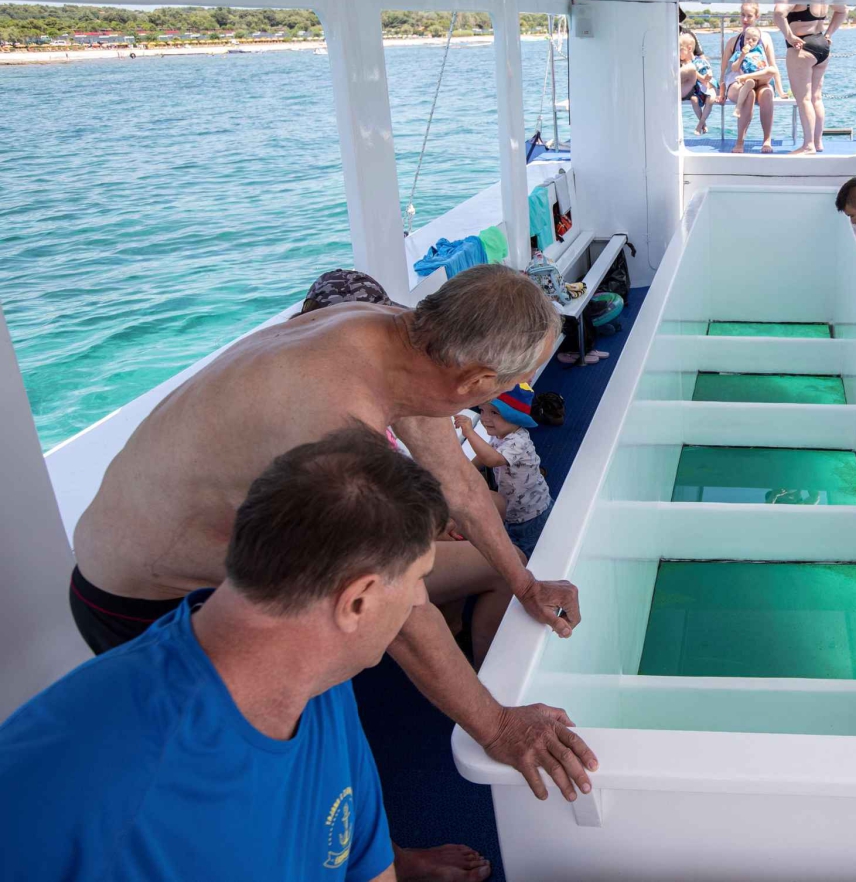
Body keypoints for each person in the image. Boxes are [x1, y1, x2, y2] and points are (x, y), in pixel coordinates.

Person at [68, 264, 595, 807]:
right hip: (146, 600)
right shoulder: (334, 426)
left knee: (338, 696)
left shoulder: (401, 338)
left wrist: (526, 584)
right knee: (262, 763)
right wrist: (499, 729)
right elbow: (403, 614)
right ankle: (372, 857)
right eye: (511, 383)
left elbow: (459, 484)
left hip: (247, 562)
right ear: (476, 384)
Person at [0, 428, 532, 881]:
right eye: (419, 582)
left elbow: (364, 864)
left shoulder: (321, 678)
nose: (421, 602)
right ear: (359, 602)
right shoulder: (80, 780)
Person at [455, 386, 554, 559]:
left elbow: (492, 460)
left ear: (516, 417)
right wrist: (467, 470)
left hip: (530, 514)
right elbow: (484, 456)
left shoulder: (518, 441)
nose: (485, 418)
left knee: (531, 553)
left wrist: (469, 432)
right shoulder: (500, 436)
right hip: (514, 510)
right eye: (483, 410)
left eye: (494, 413)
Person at [773, 2, 848, 155]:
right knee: (816, 98)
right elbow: (843, 10)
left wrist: (789, 36)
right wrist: (829, 34)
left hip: (802, 47)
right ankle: (817, 142)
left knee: (804, 99)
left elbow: (778, 12)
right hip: (822, 45)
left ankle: (808, 145)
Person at [719, 3, 785, 154]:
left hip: (760, 80)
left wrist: (780, 90)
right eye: (743, 15)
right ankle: (740, 141)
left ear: (756, 17)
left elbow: (773, 67)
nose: (745, 19)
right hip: (738, 82)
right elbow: (723, 70)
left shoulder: (765, 39)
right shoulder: (734, 41)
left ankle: (767, 139)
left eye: (749, 16)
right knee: (749, 94)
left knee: (767, 94)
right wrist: (721, 92)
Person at [678, 31, 715, 136]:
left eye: (680, 50)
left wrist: (707, 76)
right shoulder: (680, 63)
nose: (677, 53)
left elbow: (705, 77)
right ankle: (703, 124)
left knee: (710, 98)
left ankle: (700, 124)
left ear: (689, 49)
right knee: (694, 100)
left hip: (703, 87)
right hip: (695, 91)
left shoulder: (698, 62)